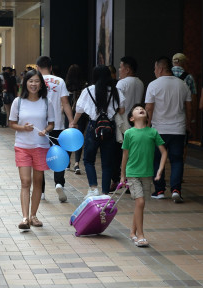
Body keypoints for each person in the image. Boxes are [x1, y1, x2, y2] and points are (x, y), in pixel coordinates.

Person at [9, 69, 55, 230]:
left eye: (36, 81)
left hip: (41, 146)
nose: (33, 84)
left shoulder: (46, 102)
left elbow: (51, 123)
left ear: (41, 84)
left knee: (38, 182)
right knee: (25, 181)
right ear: (25, 83)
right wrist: (23, 128)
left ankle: (34, 215)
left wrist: (46, 130)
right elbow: (11, 123)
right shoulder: (18, 102)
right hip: (22, 146)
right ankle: (24, 217)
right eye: (30, 81)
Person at [70, 65, 125, 198]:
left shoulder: (88, 90)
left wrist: (74, 122)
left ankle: (93, 188)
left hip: (93, 127)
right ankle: (105, 192)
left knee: (89, 160)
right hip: (109, 127)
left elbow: (79, 109)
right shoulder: (115, 91)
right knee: (107, 162)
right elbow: (122, 110)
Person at [145, 56, 192, 203]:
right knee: (177, 160)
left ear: (160, 68)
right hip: (178, 129)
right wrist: (188, 123)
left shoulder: (153, 85)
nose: (154, 71)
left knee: (158, 160)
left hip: (159, 130)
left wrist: (147, 126)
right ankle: (176, 190)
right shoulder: (183, 84)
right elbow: (189, 108)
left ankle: (159, 190)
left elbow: (149, 108)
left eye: (154, 68)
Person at [120, 104, 167, 247]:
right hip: (133, 173)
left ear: (147, 116)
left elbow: (164, 152)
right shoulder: (129, 133)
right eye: (137, 109)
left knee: (140, 205)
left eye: (143, 109)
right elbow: (125, 155)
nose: (141, 109)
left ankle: (132, 233)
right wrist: (122, 175)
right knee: (140, 202)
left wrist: (160, 170)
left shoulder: (153, 132)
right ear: (132, 118)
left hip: (147, 174)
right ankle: (140, 236)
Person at [36, 56, 74, 202]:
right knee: (58, 156)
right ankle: (59, 183)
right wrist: (71, 121)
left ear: (38, 67)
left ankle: (42, 192)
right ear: (51, 67)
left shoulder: (35, 81)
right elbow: (65, 102)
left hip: (40, 126)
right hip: (57, 125)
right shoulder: (60, 81)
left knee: (40, 158)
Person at [110, 56, 145, 191]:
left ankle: (120, 180)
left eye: (120, 67)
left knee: (120, 155)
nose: (119, 70)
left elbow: (118, 106)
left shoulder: (121, 84)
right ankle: (133, 182)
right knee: (133, 155)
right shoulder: (140, 83)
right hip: (137, 123)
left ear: (127, 69)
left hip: (123, 124)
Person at [65, 64, 88, 174]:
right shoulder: (85, 86)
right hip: (81, 116)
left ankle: (67, 161)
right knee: (79, 139)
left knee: (68, 138)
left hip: (68, 115)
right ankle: (77, 163)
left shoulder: (66, 86)